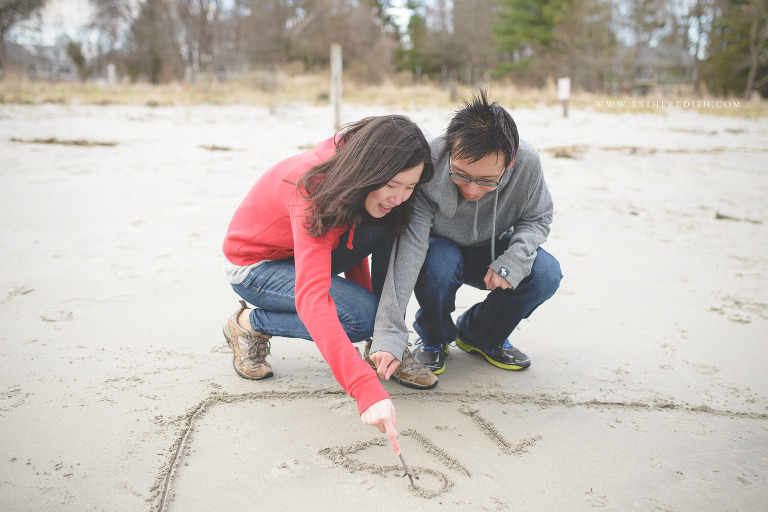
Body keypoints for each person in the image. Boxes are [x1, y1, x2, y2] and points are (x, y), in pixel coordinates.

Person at [221, 115, 436, 453]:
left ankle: (382, 344)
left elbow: (351, 241)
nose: (399, 196)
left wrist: (384, 332)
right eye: (393, 185)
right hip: (256, 265)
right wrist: (365, 389)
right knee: (359, 319)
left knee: (387, 228)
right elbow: (312, 299)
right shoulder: (315, 190)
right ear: (370, 169)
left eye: (409, 188)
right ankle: (250, 323)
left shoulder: (360, 182)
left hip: (302, 251)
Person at [367, 90, 562, 381]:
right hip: (439, 251)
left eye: (486, 180)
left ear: (510, 162)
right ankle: (434, 337)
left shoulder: (528, 163)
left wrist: (514, 260)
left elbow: (538, 217)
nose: (471, 189)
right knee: (440, 261)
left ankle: (481, 336)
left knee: (546, 273)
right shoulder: (429, 161)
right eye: (460, 174)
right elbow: (411, 245)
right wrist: (390, 334)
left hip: (492, 250)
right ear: (449, 151)